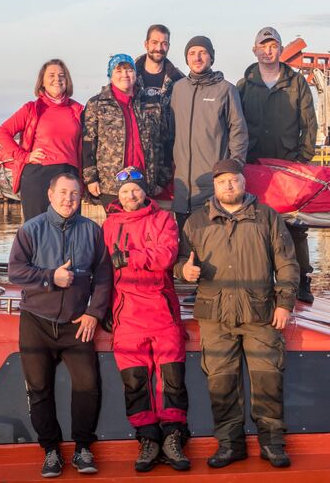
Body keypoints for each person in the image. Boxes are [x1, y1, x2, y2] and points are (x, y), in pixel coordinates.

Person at [174, 159, 299, 469]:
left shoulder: (267, 217)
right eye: (222, 182)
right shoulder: (197, 222)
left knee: (268, 378)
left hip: (261, 312)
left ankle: (272, 443)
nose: (228, 186)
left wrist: (284, 303)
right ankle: (230, 445)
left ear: (244, 183)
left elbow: (287, 263)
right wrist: (184, 271)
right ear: (214, 187)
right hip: (215, 315)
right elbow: (178, 261)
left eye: (233, 180)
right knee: (221, 382)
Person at [8, 173, 112, 478]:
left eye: (75, 194)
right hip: (36, 322)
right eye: (63, 192)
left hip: (77, 324)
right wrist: (49, 276)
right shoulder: (31, 229)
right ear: (51, 195)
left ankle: (82, 448)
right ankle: (51, 451)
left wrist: (94, 312)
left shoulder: (92, 231)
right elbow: (15, 272)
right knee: (39, 389)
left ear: (81, 198)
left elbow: (104, 276)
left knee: (88, 386)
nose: (69, 199)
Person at [102, 166, 190, 473]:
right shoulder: (109, 224)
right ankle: (148, 439)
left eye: (136, 190)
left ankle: (173, 437)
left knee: (173, 380)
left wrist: (129, 257)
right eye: (125, 191)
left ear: (145, 192)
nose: (131, 195)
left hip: (162, 311)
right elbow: (103, 269)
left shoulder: (164, 219)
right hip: (126, 315)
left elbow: (166, 255)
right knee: (135, 382)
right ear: (119, 195)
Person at [237, 26, 319, 303]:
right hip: (254, 164)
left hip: (287, 164)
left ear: (281, 50)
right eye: (264, 46)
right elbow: (234, 124)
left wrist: (302, 159)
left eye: (273, 46)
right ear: (255, 50)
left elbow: (309, 124)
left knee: (295, 225)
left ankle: (302, 281)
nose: (268, 51)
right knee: (257, 224)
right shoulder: (244, 85)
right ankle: (261, 280)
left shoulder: (297, 83)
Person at [170, 36, 248, 231]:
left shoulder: (226, 90)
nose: (197, 57)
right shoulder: (178, 89)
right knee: (185, 248)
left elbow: (238, 130)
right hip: (183, 188)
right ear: (186, 59)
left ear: (211, 58)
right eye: (192, 53)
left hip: (213, 186)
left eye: (203, 53)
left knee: (214, 246)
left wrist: (235, 166)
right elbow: (170, 131)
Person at [0, 59, 83, 221]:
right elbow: (2, 133)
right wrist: (24, 156)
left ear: (67, 81)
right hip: (38, 176)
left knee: (71, 233)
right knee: (37, 232)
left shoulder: (78, 110)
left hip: (69, 175)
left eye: (61, 75)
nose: (57, 79)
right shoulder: (32, 109)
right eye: (51, 75)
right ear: (42, 81)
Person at [82, 54, 171, 209]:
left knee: (143, 229)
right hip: (111, 184)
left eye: (129, 70)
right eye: (119, 71)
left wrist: (162, 179)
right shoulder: (97, 104)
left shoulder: (151, 103)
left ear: (135, 74)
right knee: (118, 230)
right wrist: (91, 179)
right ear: (110, 75)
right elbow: (89, 142)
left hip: (144, 183)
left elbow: (164, 141)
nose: (125, 75)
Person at [134, 24, 184, 173]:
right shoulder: (129, 77)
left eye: (164, 43)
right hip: (136, 157)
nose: (159, 47)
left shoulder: (179, 80)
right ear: (146, 44)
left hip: (167, 160)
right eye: (155, 42)